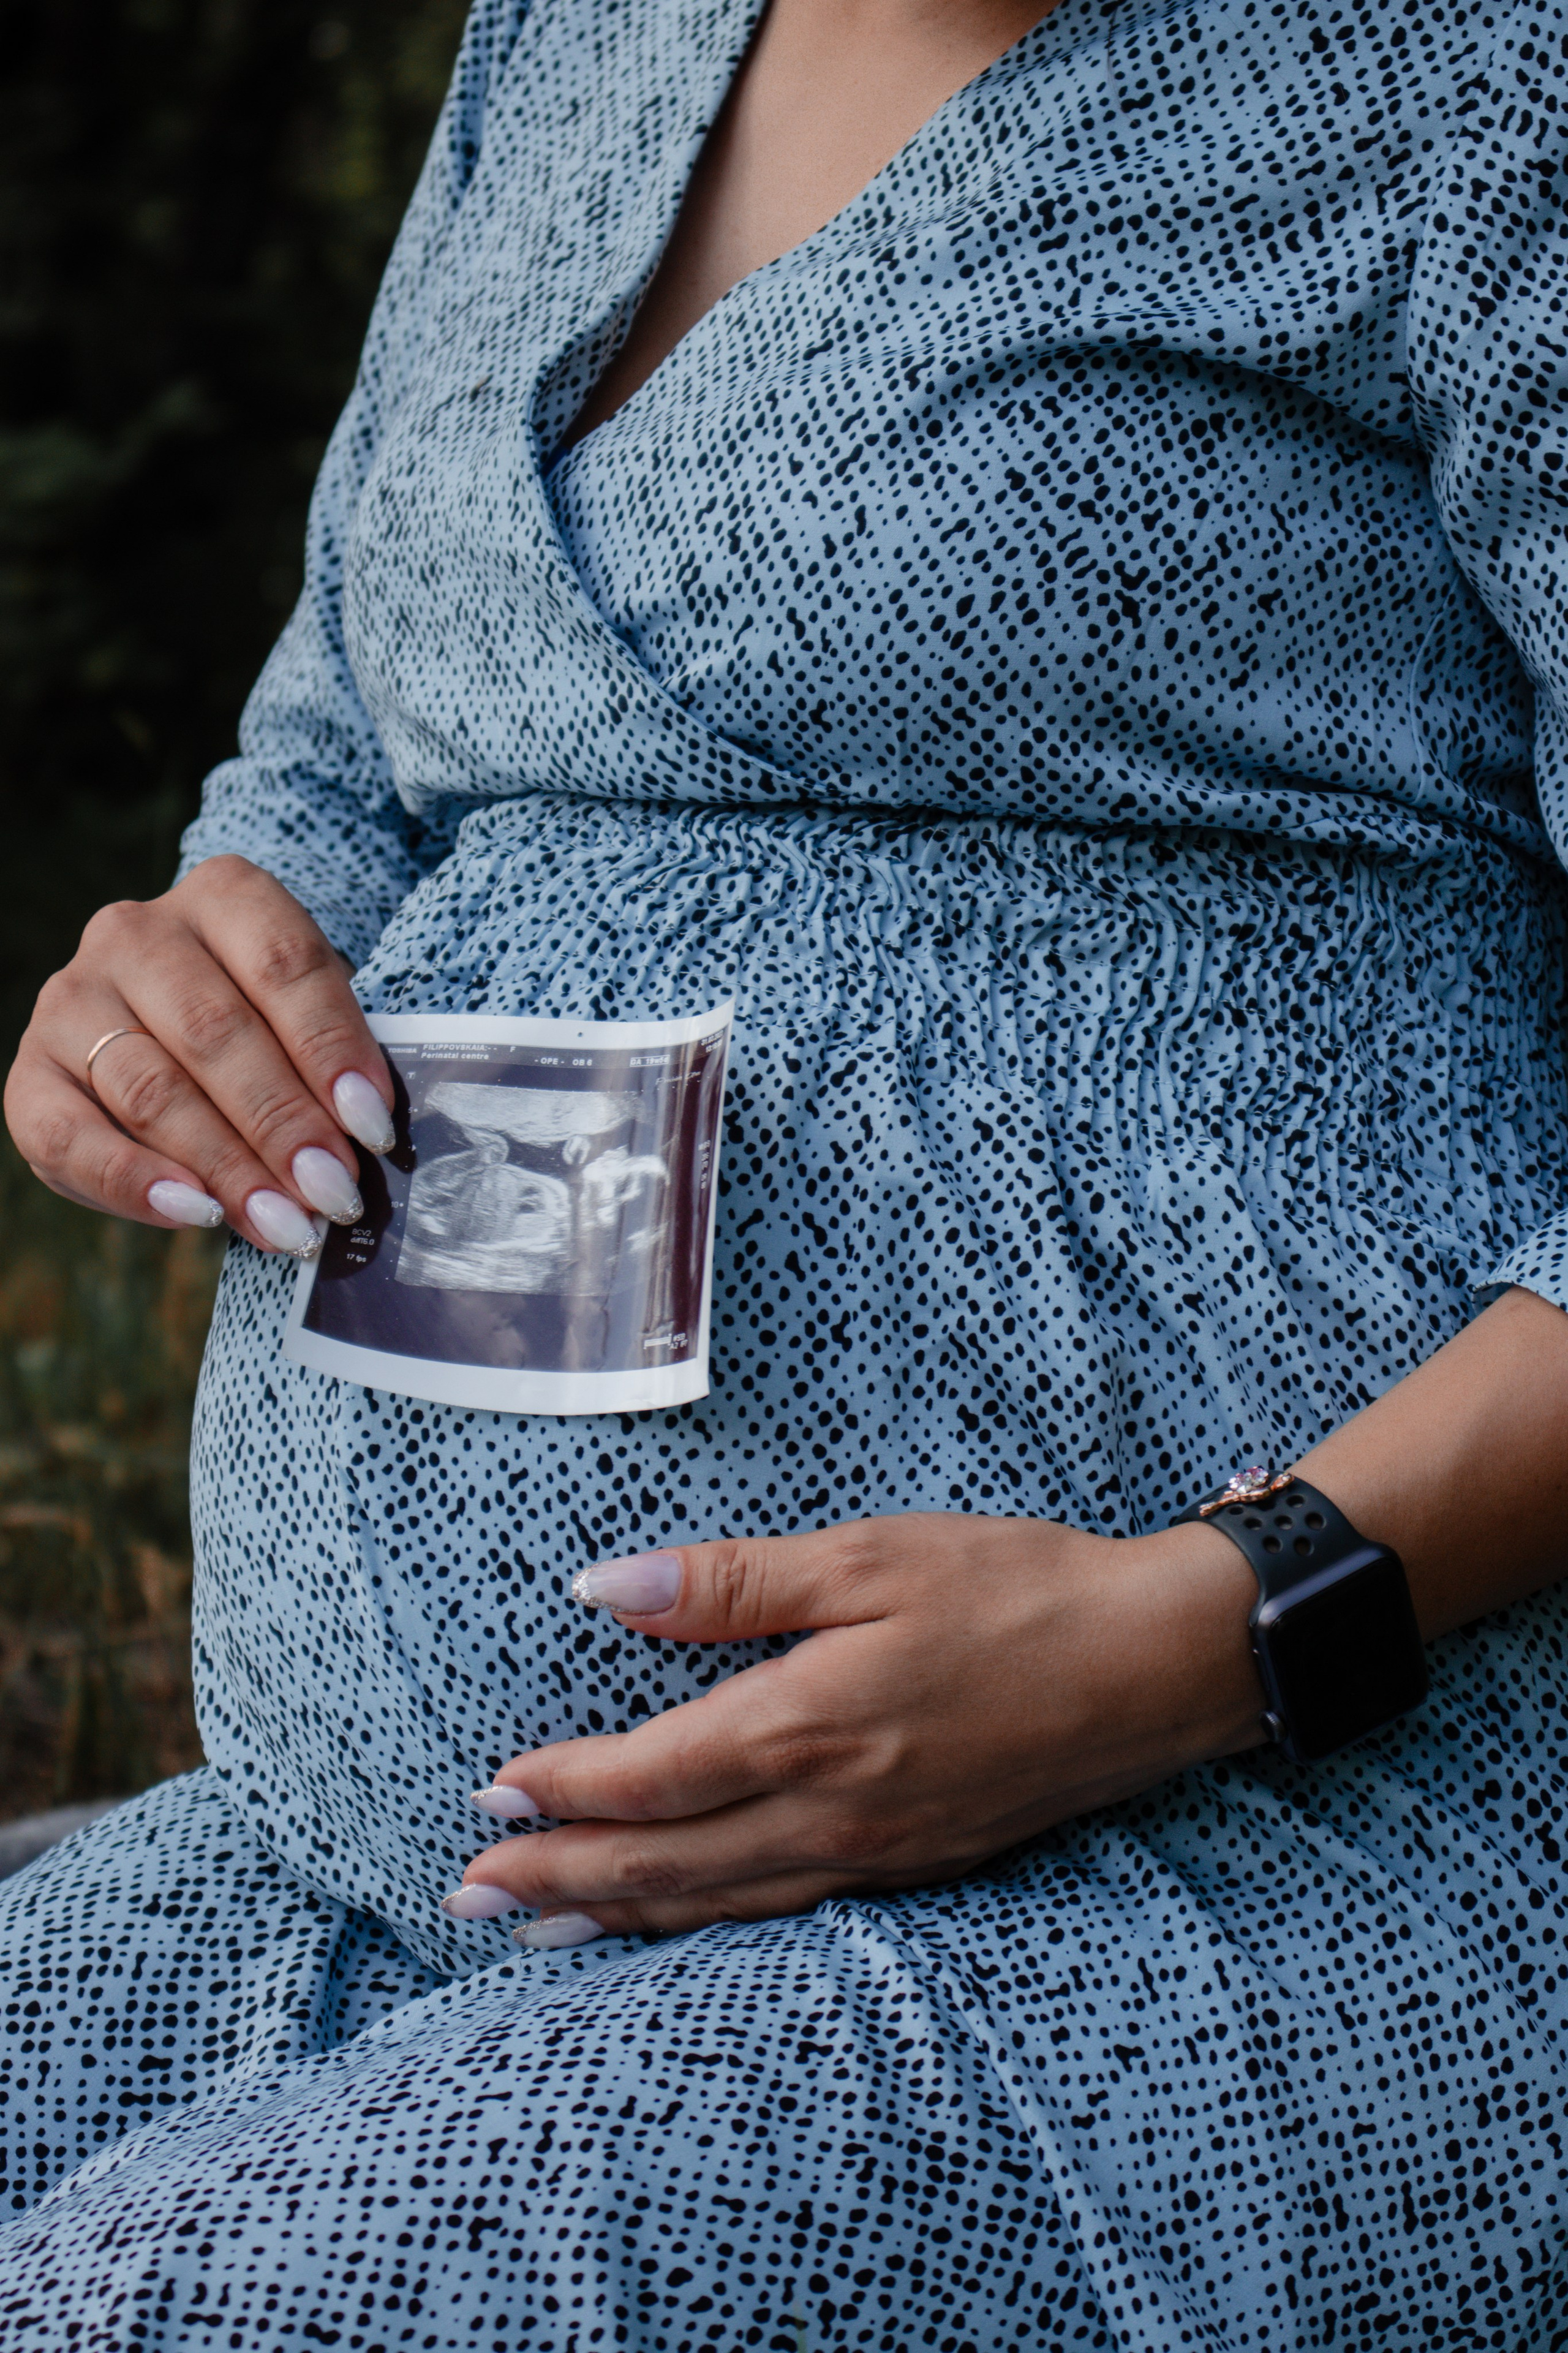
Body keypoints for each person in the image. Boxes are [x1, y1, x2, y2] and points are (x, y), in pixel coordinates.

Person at [2, 0, 1568, 2341]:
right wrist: (175, 992)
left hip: (1233, 1843)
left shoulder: (1482, 87)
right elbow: (340, 739)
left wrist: (1218, 1628)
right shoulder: (574, 32)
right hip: (387, 1849)